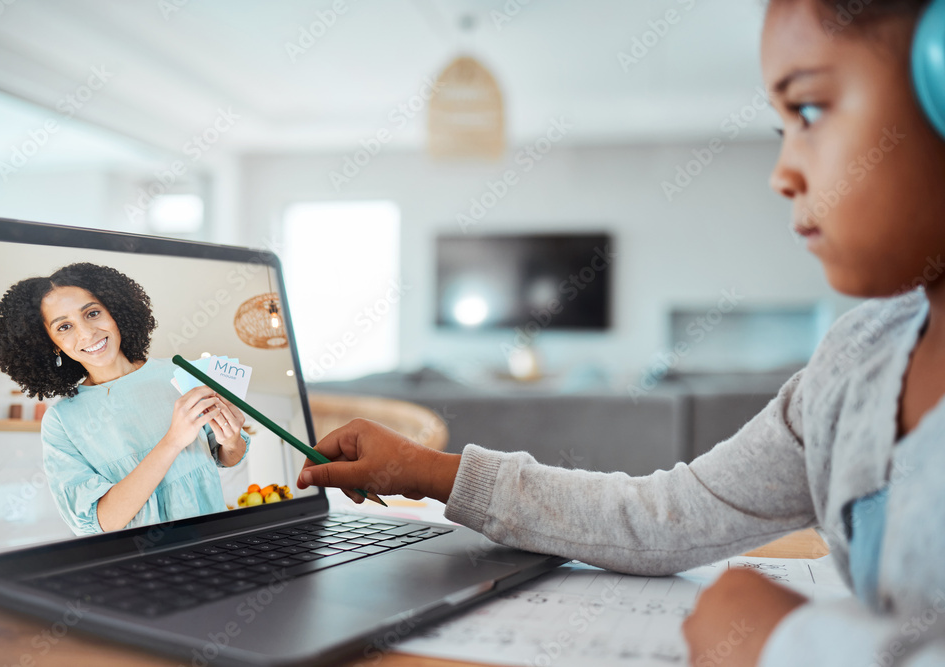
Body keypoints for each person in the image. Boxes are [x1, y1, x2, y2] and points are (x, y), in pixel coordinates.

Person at [296, 0, 945, 664]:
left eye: (807, 111)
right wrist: (428, 470)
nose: (781, 175)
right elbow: (665, 516)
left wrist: (784, 644)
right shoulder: (849, 366)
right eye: (780, 132)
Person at [0, 262, 250, 535]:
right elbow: (101, 522)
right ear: (51, 343)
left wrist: (231, 440)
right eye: (64, 327)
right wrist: (172, 441)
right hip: (143, 567)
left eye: (93, 313)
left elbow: (227, 456)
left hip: (215, 544)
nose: (87, 333)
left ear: (115, 311)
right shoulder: (61, 421)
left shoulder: (180, 373)